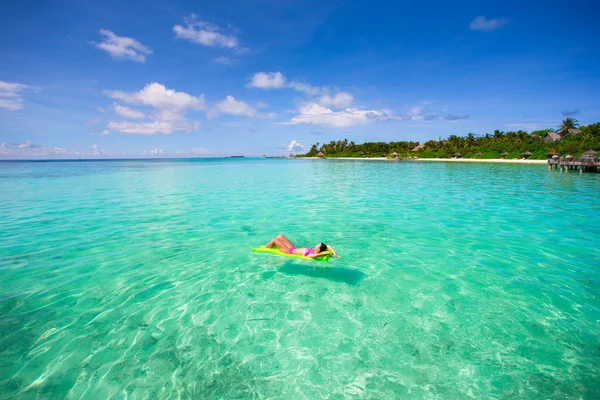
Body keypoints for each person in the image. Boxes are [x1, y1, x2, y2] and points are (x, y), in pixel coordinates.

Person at [265, 234, 340, 258]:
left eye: (318, 245)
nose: (317, 244)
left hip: (288, 251)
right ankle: (270, 246)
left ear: (318, 249)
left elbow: (313, 256)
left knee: (274, 240)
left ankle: (265, 249)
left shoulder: (313, 254)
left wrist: (327, 253)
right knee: (280, 236)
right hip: (292, 248)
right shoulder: (315, 250)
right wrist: (334, 253)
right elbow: (328, 245)